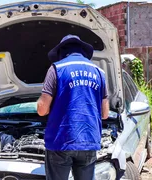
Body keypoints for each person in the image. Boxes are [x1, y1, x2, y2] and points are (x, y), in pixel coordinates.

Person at [37, 35, 109, 180]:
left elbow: (42, 110)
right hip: (89, 140)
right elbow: (105, 113)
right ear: (82, 51)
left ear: (61, 52)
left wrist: (39, 102)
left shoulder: (56, 69)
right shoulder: (99, 72)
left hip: (61, 141)